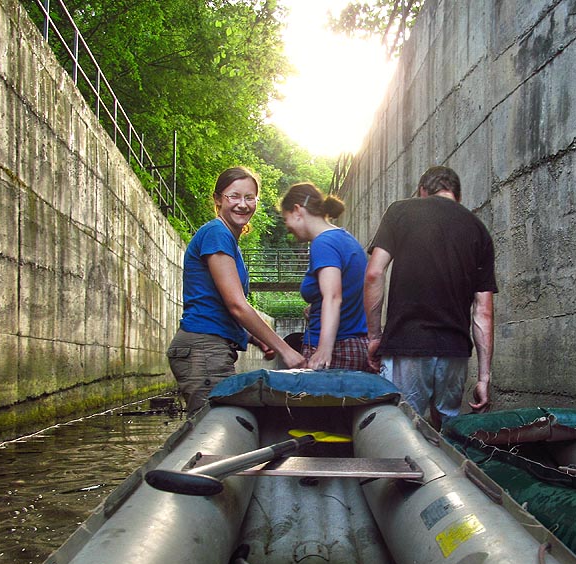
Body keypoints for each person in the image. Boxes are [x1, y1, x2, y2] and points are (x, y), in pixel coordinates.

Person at [364, 166, 496, 429]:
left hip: (407, 344)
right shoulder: (478, 229)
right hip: (455, 351)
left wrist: (375, 336)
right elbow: (483, 311)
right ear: (457, 196)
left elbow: (374, 273)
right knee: (448, 433)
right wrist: (483, 377)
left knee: (400, 430)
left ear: (422, 191)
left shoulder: (400, 212)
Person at [168, 167, 306, 414]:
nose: (243, 205)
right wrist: (286, 350)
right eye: (234, 196)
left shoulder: (228, 239)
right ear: (218, 199)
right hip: (204, 349)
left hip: (209, 348)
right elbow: (236, 305)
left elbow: (218, 304)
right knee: (210, 434)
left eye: (249, 197)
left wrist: (256, 338)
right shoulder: (216, 233)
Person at [281, 182, 372, 371]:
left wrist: (324, 349)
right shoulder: (345, 239)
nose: (287, 226)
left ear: (298, 210)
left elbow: (333, 296)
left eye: (286, 218)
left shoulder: (323, 243)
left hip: (336, 351)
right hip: (355, 345)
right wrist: (315, 306)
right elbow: (346, 292)